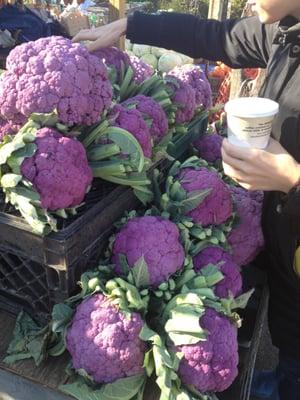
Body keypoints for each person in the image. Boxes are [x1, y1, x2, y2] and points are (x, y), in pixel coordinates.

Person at [73, 1, 300, 399]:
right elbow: (215, 36)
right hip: (286, 246)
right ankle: (282, 378)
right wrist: (130, 24)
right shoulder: (286, 32)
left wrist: (292, 180)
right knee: (289, 333)